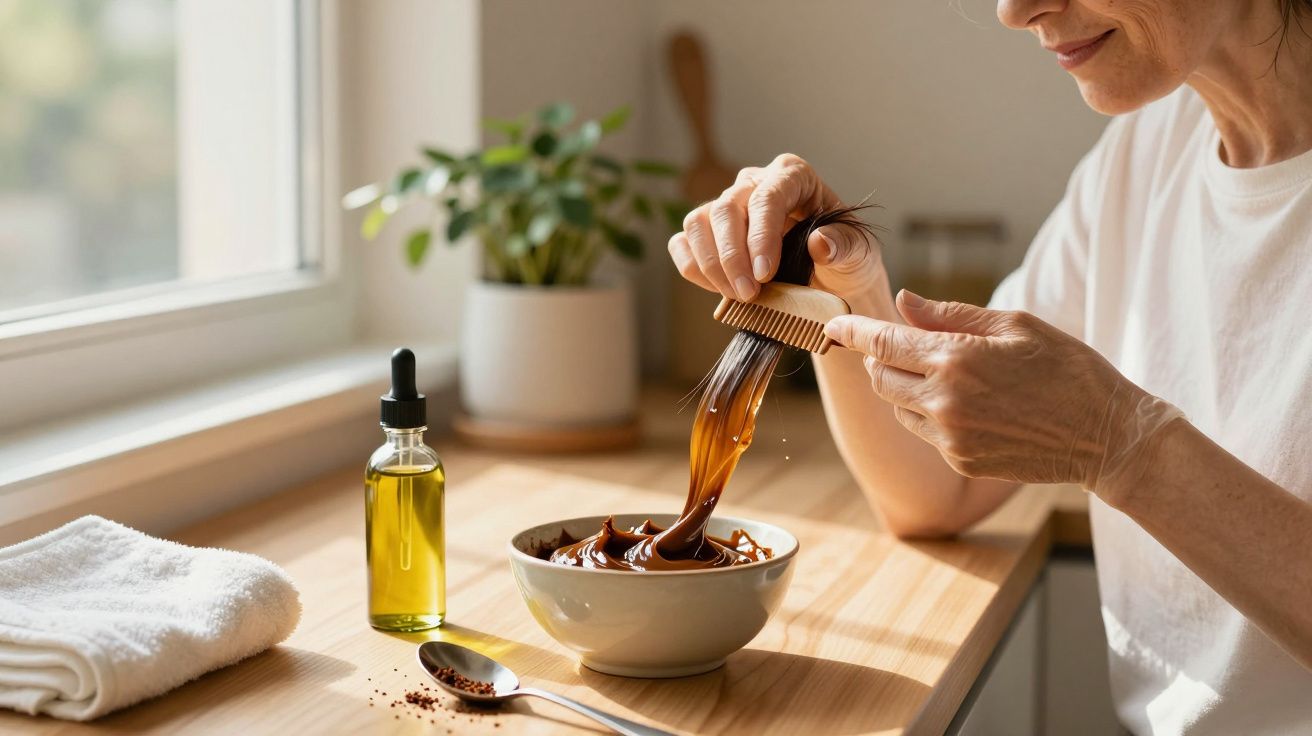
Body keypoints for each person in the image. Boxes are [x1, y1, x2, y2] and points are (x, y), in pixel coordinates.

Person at [667, 1, 1312, 733]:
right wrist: (845, 290)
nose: (1013, 10)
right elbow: (936, 494)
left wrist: (1123, 448)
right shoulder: (1147, 150)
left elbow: (1092, 443)